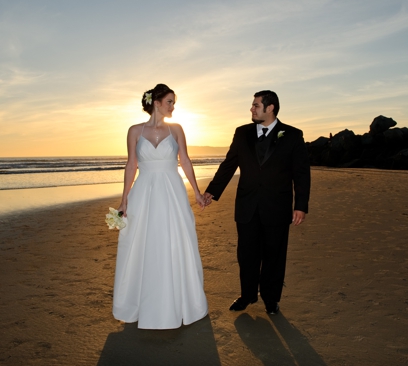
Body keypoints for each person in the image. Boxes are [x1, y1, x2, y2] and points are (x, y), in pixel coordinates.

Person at [204, 90, 310, 315]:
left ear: (270, 108)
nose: (251, 109)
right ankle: (248, 295)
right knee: (247, 255)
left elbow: (301, 173)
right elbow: (229, 164)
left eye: (255, 105)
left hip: (277, 207)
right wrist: (212, 192)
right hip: (247, 206)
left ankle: (271, 299)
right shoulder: (242, 133)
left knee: (274, 255)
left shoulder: (292, 135)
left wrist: (300, 205)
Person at [113, 83, 208, 329]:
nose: (173, 106)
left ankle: (181, 303)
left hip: (172, 192)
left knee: (176, 240)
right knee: (141, 242)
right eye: (169, 102)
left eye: (174, 102)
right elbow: (131, 165)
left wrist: (197, 193)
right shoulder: (134, 130)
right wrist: (124, 199)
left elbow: (185, 161)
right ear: (156, 103)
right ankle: (140, 303)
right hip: (144, 191)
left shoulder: (176, 129)